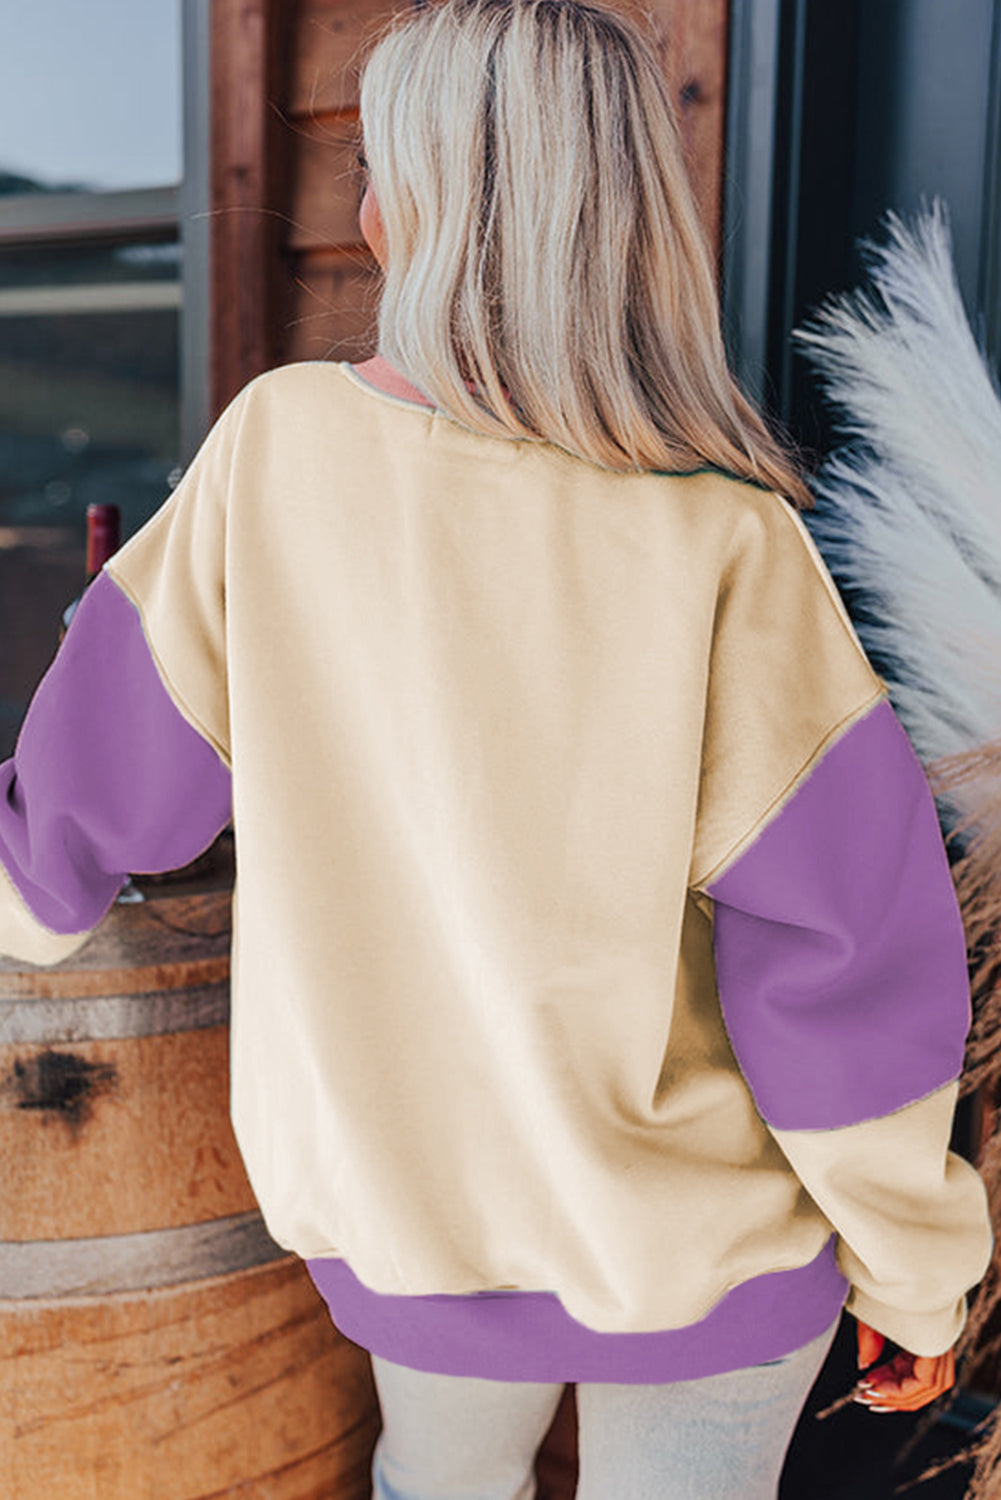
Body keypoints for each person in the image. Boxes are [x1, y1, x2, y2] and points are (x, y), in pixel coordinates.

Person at [0, 0, 991, 1495]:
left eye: (375, 170)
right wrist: (914, 1274)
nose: (363, 207)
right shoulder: (732, 542)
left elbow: (77, 815)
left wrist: (31, 901)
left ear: (427, 206)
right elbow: (839, 970)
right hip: (713, 1254)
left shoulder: (275, 457)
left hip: (421, 1233)